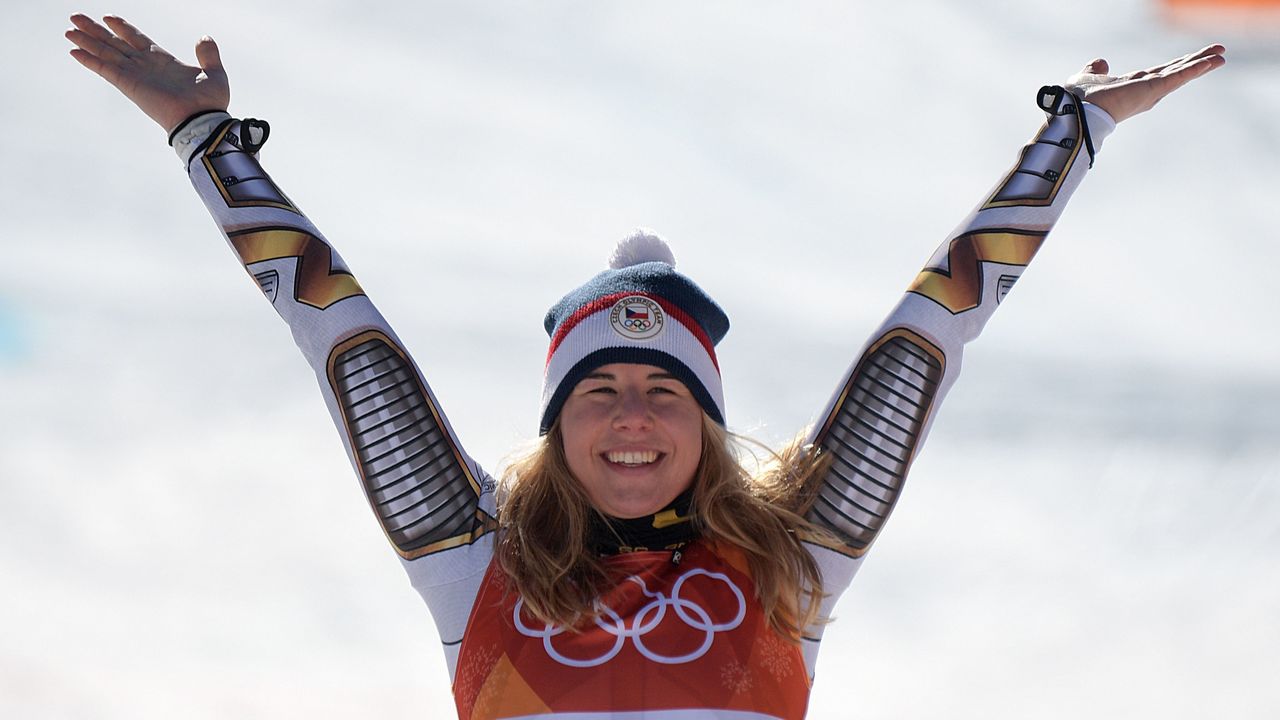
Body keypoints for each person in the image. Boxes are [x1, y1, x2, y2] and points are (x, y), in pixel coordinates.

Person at [65, 13, 1225, 719]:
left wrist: (1071, 132)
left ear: (706, 423)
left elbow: (928, 335)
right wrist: (203, 140)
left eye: (664, 389)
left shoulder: (788, 566)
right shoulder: (474, 567)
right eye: (601, 390)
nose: (631, 415)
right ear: (558, 423)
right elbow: (342, 340)